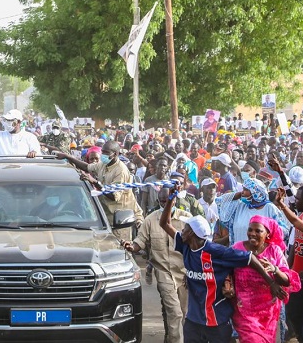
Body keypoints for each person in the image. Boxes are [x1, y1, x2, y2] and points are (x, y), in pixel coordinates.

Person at [159, 189, 287, 343]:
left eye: (186, 228)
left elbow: (250, 258)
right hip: (193, 320)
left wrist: (271, 281)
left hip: (217, 321)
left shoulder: (217, 251)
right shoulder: (185, 245)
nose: (182, 230)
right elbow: (164, 223)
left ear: (193, 234)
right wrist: (171, 198)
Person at [123, 188, 192, 343]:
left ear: (175, 199)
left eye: (168, 200)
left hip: (183, 273)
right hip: (163, 272)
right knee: (175, 312)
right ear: (158, 201)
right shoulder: (150, 219)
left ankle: (171, 338)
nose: (165, 203)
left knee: (184, 312)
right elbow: (139, 242)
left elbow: (195, 246)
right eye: (162, 201)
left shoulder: (186, 218)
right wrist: (131, 246)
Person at [225, 215, 300, 343]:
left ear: (267, 234)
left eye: (258, 231)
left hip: (267, 313)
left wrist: (275, 269)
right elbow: (225, 268)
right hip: (243, 310)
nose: (252, 234)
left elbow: (287, 280)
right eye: (250, 230)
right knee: (252, 339)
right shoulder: (238, 248)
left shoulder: (274, 251)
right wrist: (228, 283)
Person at [57, 140, 143, 240]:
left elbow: (114, 196)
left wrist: (94, 182)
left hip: (119, 221)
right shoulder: (103, 164)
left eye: (106, 153)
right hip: (103, 218)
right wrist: (68, 157)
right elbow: (87, 167)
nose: (103, 155)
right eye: (103, 152)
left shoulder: (121, 171)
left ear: (115, 154)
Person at [274, 186, 303, 341]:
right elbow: (294, 247)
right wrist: (288, 268)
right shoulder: (302, 215)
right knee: (293, 315)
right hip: (296, 277)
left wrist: (282, 205)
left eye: (297, 199)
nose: (294, 201)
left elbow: (295, 222)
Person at [216, 177, 290, 246]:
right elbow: (219, 201)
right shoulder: (240, 207)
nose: (242, 192)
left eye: (245, 190)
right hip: (238, 253)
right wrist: (239, 195)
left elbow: (284, 232)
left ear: (255, 192)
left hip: (260, 255)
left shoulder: (269, 208)